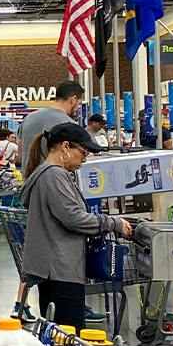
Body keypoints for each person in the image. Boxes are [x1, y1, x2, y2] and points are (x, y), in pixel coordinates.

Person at [17, 122, 128, 328]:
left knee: (59, 336)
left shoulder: (50, 174)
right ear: (65, 147)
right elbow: (72, 217)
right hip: (60, 269)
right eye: (83, 153)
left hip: (56, 268)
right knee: (68, 338)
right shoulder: (54, 175)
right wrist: (112, 223)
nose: (84, 160)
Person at [19, 80, 86, 173]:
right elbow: (73, 160)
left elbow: (20, 156)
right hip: (54, 182)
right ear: (73, 99)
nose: (77, 108)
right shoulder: (70, 126)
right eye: (78, 104)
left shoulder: (28, 118)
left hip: (29, 182)